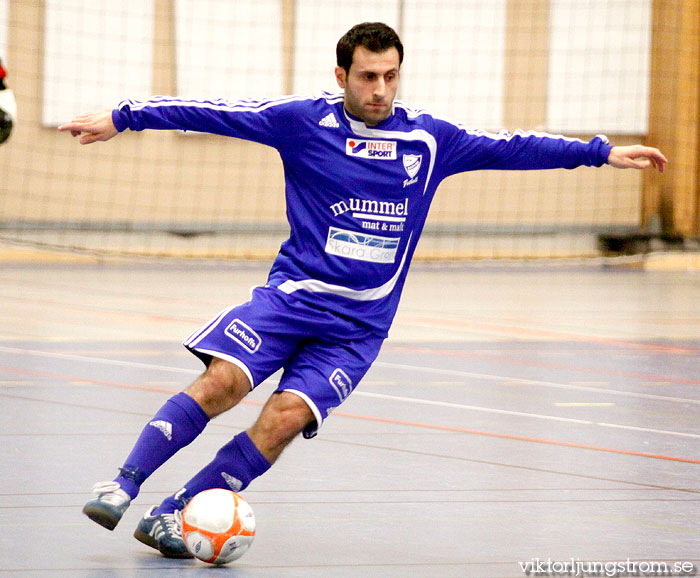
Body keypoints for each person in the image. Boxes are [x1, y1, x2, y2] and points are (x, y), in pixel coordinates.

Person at [59, 22, 667, 558]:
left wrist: (601, 153)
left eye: (391, 76)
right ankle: (123, 483)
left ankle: (172, 511)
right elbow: (214, 112)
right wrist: (125, 115)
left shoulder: (429, 141)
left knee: (285, 418)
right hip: (290, 300)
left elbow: (513, 147)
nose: (380, 90)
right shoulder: (301, 122)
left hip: (358, 329)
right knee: (223, 382)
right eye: (369, 76)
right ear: (342, 75)